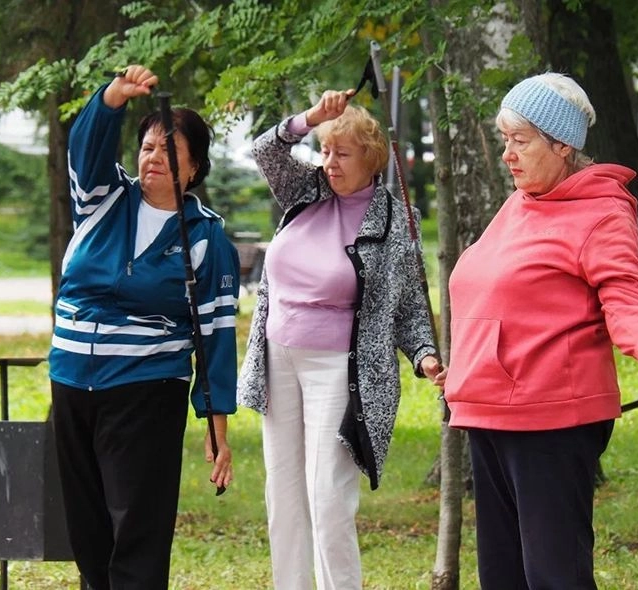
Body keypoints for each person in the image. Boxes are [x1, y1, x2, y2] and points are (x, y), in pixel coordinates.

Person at [435, 72, 638, 589]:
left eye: (520, 140)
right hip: (488, 413)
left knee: (554, 578)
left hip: (550, 421)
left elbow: (625, 301)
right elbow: (499, 297)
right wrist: (471, 365)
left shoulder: (602, 213)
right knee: (501, 578)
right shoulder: (520, 203)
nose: (507, 154)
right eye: (504, 139)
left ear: (562, 145)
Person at [237, 89, 441, 589]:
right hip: (278, 358)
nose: (329, 163)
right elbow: (265, 149)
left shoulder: (395, 220)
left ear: (370, 160)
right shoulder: (305, 191)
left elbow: (409, 304)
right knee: (283, 493)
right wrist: (312, 118)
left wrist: (425, 355)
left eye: (342, 153)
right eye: (325, 151)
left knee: (328, 497)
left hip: (340, 367)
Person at [48, 64, 239, 590]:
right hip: (71, 383)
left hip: (146, 391)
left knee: (137, 529)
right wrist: (113, 96)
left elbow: (216, 337)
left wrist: (217, 427)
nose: (153, 157)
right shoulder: (102, 200)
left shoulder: (206, 239)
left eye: (169, 150)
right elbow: (85, 148)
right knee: (86, 530)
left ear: (194, 168)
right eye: (148, 147)